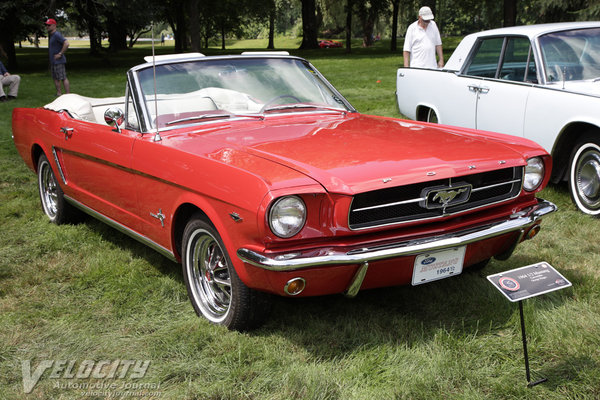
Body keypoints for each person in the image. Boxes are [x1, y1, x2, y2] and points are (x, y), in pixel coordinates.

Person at [45, 18, 70, 96]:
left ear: (54, 25)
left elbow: (66, 43)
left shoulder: (57, 34)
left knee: (63, 77)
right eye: (46, 25)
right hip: (54, 61)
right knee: (55, 78)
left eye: (48, 25)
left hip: (59, 61)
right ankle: (59, 93)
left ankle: (67, 94)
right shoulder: (52, 35)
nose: (47, 27)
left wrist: (60, 54)